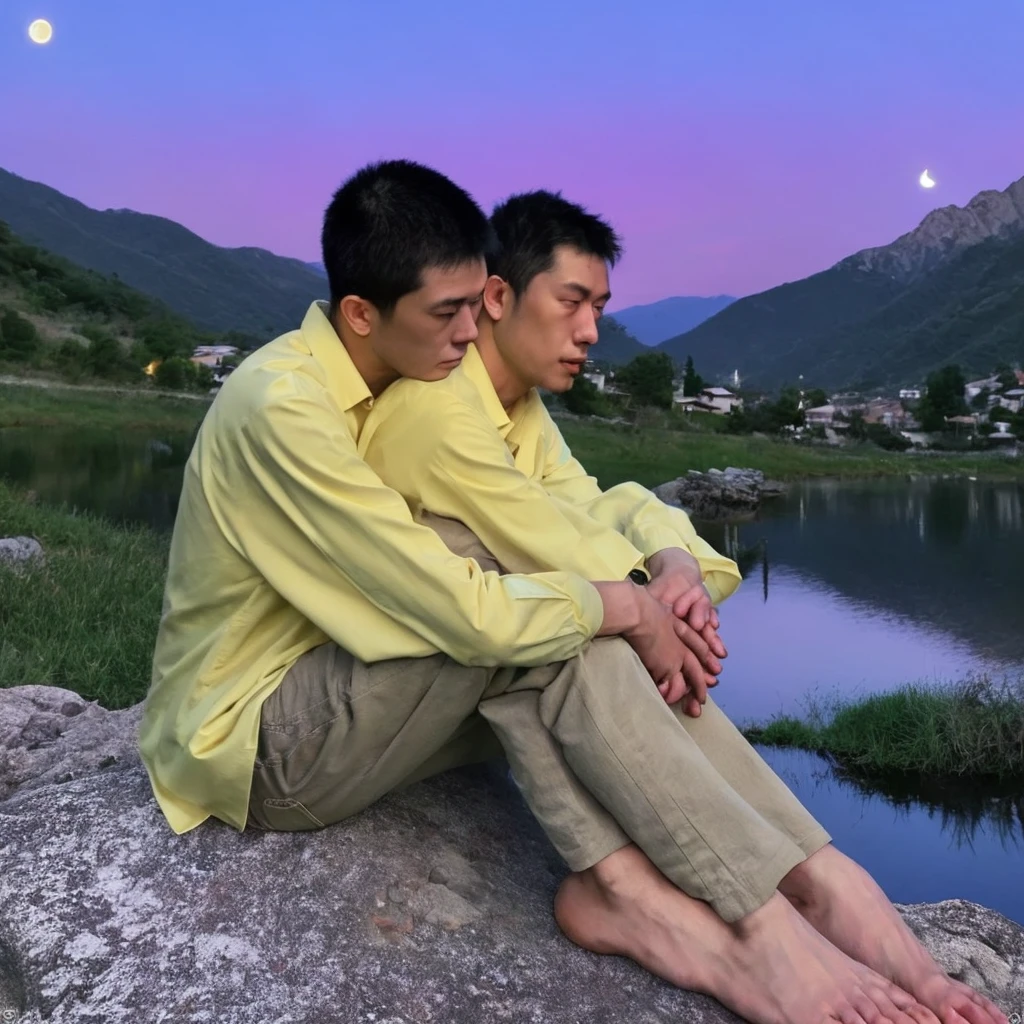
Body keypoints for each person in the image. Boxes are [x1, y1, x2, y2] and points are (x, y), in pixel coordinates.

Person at [136, 163, 1005, 1024]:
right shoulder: (290, 407)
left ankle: (768, 879)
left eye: (474, 305)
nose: (471, 331)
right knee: (544, 605)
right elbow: (468, 610)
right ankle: (763, 906)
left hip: (362, 688)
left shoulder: (420, 382)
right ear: (362, 313)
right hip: (260, 744)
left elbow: (596, 505)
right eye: (451, 313)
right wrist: (631, 603)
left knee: (560, 612)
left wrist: (663, 565)